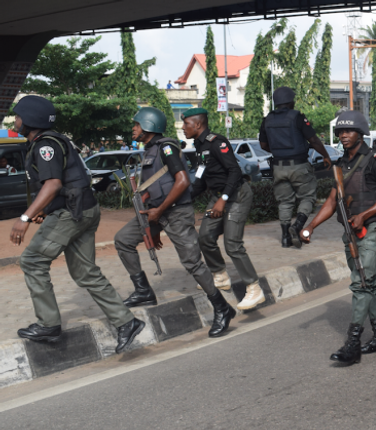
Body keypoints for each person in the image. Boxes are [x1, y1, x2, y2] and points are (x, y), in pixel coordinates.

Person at [11, 95, 144, 353]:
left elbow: (53, 184)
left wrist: (25, 218)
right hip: (84, 210)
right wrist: (45, 210)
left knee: (32, 261)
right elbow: (66, 182)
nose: (15, 120)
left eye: (18, 116)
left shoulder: (44, 146)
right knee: (85, 272)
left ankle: (48, 324)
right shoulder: (55, 140)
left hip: (72, 215)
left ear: (29, 120)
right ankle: (127, 322)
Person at [114, 107, 235, 338]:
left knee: (192, 264)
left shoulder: (166, 148)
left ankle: (222, 308)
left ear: (149, 126)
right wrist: (153, 227)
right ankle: (143, 290)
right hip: (156, 214)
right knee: (123, 239)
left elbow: (181, 181)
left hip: (176, 213)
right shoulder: (150, 150)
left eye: (137, 124)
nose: (134, 128)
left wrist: (159, 212)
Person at [301, 111, 376, 365]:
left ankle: (352, 343)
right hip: (351, 232)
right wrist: (311, 226)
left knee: (360, 283)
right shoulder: (341, 164)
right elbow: (333, 200)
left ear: (361, 133)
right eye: (340, 132)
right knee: (370, 283)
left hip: (372, 229)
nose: (343, 136)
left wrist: (364, 214)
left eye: (349, 131)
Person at [183, 108, 265, 311]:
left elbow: (235, 171)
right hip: (218, 198)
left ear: (198, 125)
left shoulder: (217, 142)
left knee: (232, 244)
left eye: (186, 123)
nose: (183, 127)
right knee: (205, 236)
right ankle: (220, 275)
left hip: (237, 196)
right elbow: (201, 180)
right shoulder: (199, 146)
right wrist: (183, 200)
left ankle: (254, 288)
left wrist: (224, 199)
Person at [258, 86, 330, 248]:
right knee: (308, 197)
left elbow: (263, 144)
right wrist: (325, 155)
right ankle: (297, 226)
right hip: (299, 165)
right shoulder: (297, 117)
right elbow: (314, 140)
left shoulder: (267, 119)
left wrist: (278, 151)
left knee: (284, 201)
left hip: (278, 167)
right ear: (290, 102)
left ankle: (285, 238)